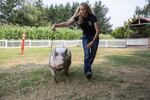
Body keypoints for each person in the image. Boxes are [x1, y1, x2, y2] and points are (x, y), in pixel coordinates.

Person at [52, 2, 100, 80]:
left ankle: (87, 67)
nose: (82, 11)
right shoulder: (78, 17)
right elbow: (67, 23)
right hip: (85, 37)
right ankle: (88, 71)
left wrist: (93, 41)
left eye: (84, 9)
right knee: (87, 54)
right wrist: (56, 25)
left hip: (94, 37)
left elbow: (98, 31)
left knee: (92, 55)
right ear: (79, 10)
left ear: (87, 9)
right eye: (81, 9)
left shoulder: (93, 17)